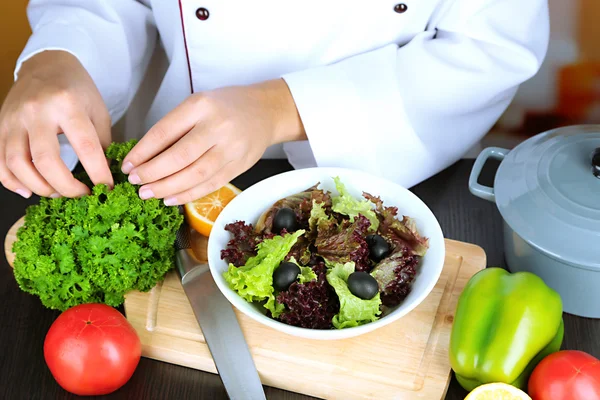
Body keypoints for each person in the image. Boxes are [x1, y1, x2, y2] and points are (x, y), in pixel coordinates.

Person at [0, 0, 549, 206]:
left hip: (402, 162)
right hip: (176, 163)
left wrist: (280, 108)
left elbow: (491, 47)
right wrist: (59, 58)